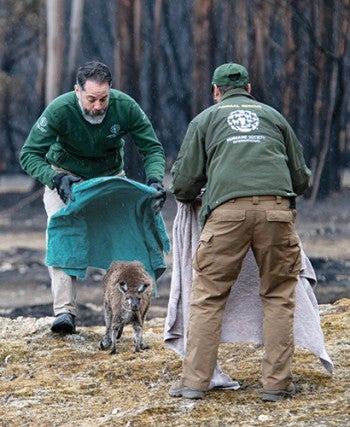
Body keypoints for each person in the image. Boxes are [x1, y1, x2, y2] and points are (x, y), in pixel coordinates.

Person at [168, 63, 311, 402]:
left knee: (208, 297)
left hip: (226, 214)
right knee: (277, 295)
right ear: (249, 89)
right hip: (277, 213)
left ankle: (194, 383)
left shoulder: (204, 120)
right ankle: (276, 385)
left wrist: (197, 192)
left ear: (216, 92)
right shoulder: (274, 118)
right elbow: (301, 179)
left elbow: (184, 184)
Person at [20, 61, 166, 334]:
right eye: (91, 99)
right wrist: (55, 179)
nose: (98, 106)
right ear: (77, 91)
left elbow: (152, 148)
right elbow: (28, 155)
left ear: (110, 90)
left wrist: (155, 179)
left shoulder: (126, 107)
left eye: (103, 99)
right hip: (65, 179)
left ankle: (124, 313)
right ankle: (65, 312)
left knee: (125, 238)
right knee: (63, 233)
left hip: (110, 179)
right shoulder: (59, 110)